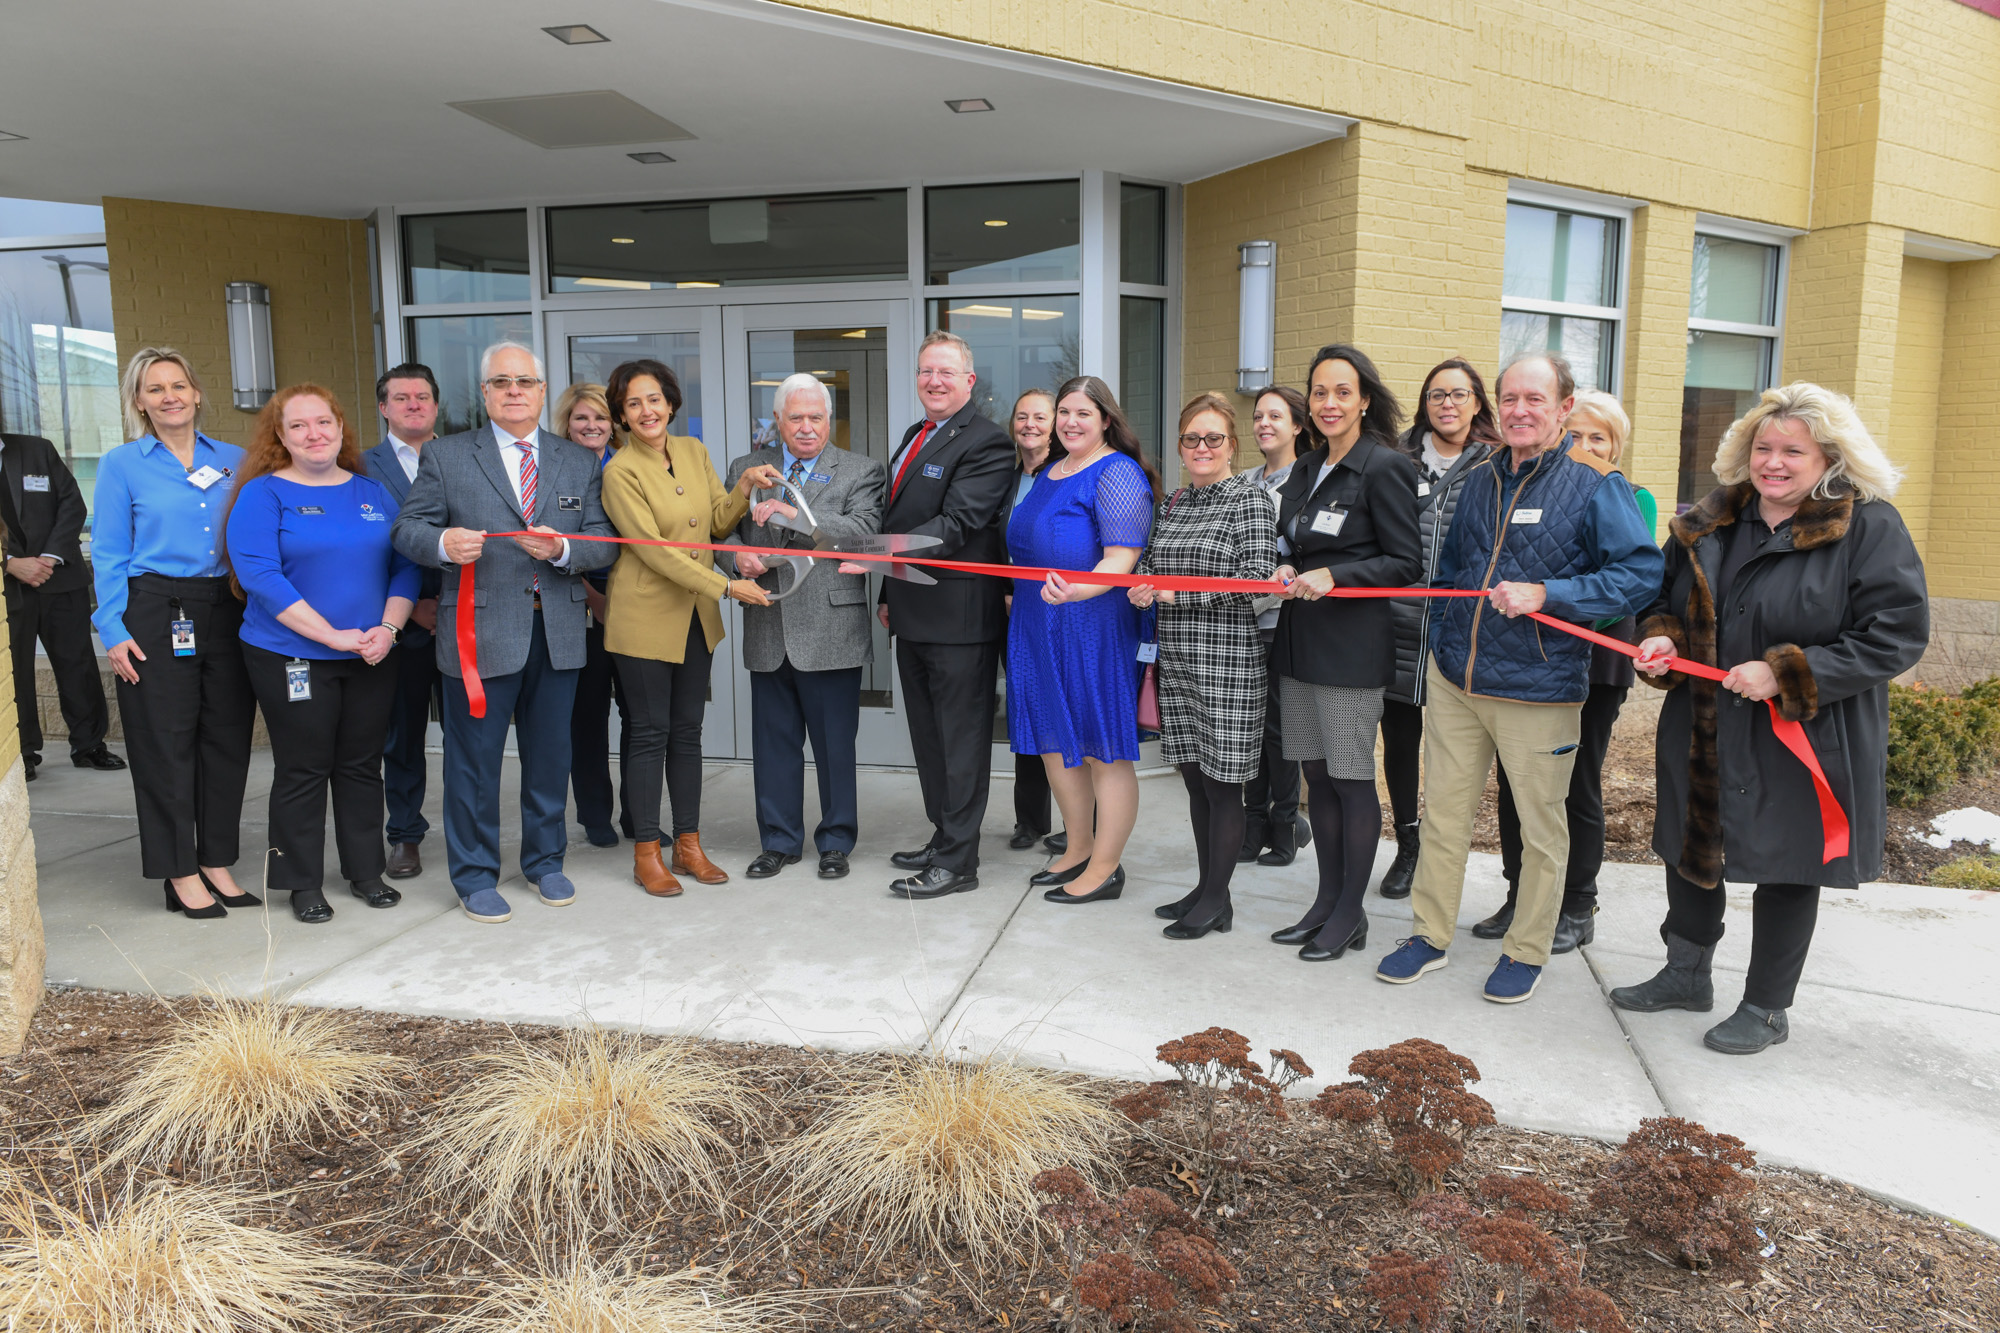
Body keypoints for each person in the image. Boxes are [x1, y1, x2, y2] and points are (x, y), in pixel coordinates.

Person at [1615, 383, 1928, 1054]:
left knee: (1790, 863)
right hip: (1703, 718)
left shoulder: (1868, 526)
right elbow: (1662, 600)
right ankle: (1685, 972)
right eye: (1764, 447)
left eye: (1794, 450)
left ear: (1830, 459)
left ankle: (1766, 1006)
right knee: (1690, 847)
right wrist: (1664, 638)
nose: (1774, 463)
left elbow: (1895, 634)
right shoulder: (1707, 521)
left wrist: (1784, 671)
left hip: (1804, 732)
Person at [1378, 354, 1662, 1003]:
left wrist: (1550, 593)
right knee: (1443, 816)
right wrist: (1447, 640)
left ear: (1564, 409)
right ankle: (1428, 934)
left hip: (1537, 684)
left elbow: (1641, 575)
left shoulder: (1598, 485)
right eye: (1509, 399)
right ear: (1494, 408)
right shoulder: (1478, 479)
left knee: (1541, 828)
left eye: (1536, 399)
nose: (1520, 411)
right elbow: (1450, 572)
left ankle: (1526, 948)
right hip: (1458, 679)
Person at [390, 341, 617, 923]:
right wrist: (442, 544)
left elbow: (602, 540)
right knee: (474, 762)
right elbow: (408, 529)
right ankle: (473, 876)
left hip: (560, 631)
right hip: (480, 630)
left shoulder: (577, 459)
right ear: (485, 394)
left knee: (550, 756)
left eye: (525, 381)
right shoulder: (447, 457)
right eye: (501, 382)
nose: (514, 390)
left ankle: (545, 862)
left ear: (542, 392)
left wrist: (565, 548)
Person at [224, 385, 419, 923]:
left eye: (323, 423)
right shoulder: (263, 495)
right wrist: (331, 635)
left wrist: (388, 628)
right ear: (281, 436)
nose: (314, 434)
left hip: (371, 652)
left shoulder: (373, 493)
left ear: (340, 428)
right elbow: (259, 575)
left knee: (360, 766)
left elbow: (405, 567)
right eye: (299, 426)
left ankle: (364, 872)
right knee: (303, 768)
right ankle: (300, 881)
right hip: (291, 654)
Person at [1479, 389, 1657, 950]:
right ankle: (1520, 893)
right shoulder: (1533, 487)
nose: (1582, 446)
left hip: (1592, 662)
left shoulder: (1630, 496)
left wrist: (1556, 606)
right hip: (1528, 658)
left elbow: (1624, 586)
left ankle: (1578, 903)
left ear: (1617, 446)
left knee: (1574, 785)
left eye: (1596, 438)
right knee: (1515, 780)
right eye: (1573, 435)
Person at [599, 358, 780, 897]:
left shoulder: (695, 452)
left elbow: (717, 523)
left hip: (694, 620)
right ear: (622, 417)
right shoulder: (620, 472)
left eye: (654, 399)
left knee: (687, 734)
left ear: (671, 404)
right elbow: (655, 553)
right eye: (633, 403)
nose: (646, 410)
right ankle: (647, 852)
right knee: (649, 737)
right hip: (645, 620)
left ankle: (689, 844)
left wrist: (745, 484)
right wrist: (728, 587)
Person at [1268, 346, 1422, 962]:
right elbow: (1296, 543)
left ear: (1363, 400)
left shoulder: (1384, 467)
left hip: (1352, 648)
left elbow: (1406, 562)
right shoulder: (1304, 470)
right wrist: (1287, 565)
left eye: (1342, 392)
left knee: (1352, 779)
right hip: (1300, 643)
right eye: (1320, 393)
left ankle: (1351, 914)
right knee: (1314, 776)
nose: (1329, 404)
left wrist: (1339, 575)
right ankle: (1326, 900)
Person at [91, 348, 258, 918]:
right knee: (164, 744)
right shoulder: (122, 464)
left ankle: (216, 860)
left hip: (227, 608)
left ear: (196, 392)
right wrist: (111, 627)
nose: (170, 396)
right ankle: (179, 870)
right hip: (155, 608)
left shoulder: (237, 459)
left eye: (179, 385)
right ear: (140, 402)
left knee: (226, 739)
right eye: (156, 388)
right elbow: (110, 552)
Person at [724, 372, 885, 880]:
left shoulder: (860, 470)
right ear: (778, 421)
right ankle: (778, 841)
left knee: (835, 745)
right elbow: (723, 533)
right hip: (768, 622)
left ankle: (836, 841)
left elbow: (862, 534)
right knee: (773, 745)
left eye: (817, 417)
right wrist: (738, 564)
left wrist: (795, 515)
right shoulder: (746, 468)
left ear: (829, 419)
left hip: (830, 628)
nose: (808, 427)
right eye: (796, 417)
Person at [1008, 374, 1159, 906]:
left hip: (1092, 623)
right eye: (1064, 412)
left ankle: (1105, 866)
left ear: (1106, 421)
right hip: (1035, 621)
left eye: (1082, 414)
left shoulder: (1116, 472)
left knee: (1101, 751)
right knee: (1054, 744)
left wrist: (1075, 593)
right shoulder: (1050, 471)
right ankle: (1076, 848)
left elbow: (1122, 560)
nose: (1071, 422)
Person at [1131, 393, 1277, 938]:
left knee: (1222, 787)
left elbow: (1259, 583)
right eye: (1192, 438)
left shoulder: (1250, 501)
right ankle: (1206, 887)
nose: (1202, 447)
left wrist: (1176, 595)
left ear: (1232, 446)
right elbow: (1150, 563)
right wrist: (1144, 587)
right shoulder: (1173, 503)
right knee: (1194, 782)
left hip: (1228, 665)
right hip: (1178, 662)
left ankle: (1216, 898)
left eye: (1213, 438)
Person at [878, 331, 1017, 899]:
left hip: (959, 622)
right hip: (911, 614)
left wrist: (879, 553)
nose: (933, 382)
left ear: (968, 381)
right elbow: (899, 512)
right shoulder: (918, 434)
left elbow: (958, 525)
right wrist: (888, 593)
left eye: (945, 373)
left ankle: (959, 863)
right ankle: (943, 835)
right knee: (929, 740)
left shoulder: (988, 443)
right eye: (925, 372)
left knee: (960, 744)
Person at [1379, 359, 1500, 900]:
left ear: (1477, 401)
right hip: (1397, 624)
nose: (1446, 403)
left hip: (1463, 627)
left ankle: (1444, 845)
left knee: (1454, 750)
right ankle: (1408, 843)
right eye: (1435, 395)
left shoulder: (1497, 463)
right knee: (1400, 742)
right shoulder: (1395, 461)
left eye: (1458, 393)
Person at [2, 423, 122, 781]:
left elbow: (72, 503)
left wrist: (49, 558)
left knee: (78, 666)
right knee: (14, 673)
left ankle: (89, 745)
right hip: (8, 585)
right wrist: (9, 564)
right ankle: (23, 753)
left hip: (58, 576)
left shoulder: (37, 450)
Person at [363, 362, 443, 880]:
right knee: (402, 738)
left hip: (462, 617)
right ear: (383, 407)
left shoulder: (466, 457)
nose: (413, 405)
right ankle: (405, 835)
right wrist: (412, 605)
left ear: (436, 405)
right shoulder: (357, 467)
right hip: (399, 624)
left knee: (469, 737)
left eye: (422, 397)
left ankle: (467, 831)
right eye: (401, 397)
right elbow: (366, 548)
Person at [552, 380, 632, 848]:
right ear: (567, 422)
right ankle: (596, 815)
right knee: (589, 717)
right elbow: (554, 546)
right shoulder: (553, 471)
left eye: (600, 417)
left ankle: (637, 816)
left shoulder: (625, 467)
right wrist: (593, 599)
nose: (592, 425)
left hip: (633, 605)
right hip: (582, 608)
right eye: (582, 417)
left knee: (638, 716)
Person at [1237, 385, 1312, 866]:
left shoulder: (1308, 482)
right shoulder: (1244, 481)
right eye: (1259, 416)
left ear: (1298, 426)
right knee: (1250, 729)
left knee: (1281, 730)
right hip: (1241, 622)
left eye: (1276, 416)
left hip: (1285, 622)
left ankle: (1285, 826)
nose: (1264, 423)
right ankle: (1252, 823)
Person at [1006, 388, 1057, 852]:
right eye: (1022, 417)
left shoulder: (1061, 474)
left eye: (1040, 417)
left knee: (1061, 710)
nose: (1030, 425)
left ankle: (1081, 822)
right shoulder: (1005, 475)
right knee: (1024, 708)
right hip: (1012, 607)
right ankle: (1029, 819)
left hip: (1058, 608)